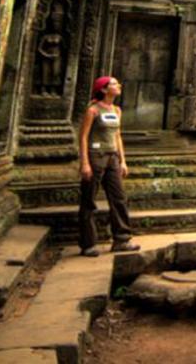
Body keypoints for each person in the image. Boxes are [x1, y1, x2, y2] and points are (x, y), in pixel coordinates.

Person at [77, 76, 140, 256]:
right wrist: (85, 163)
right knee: (89, 200)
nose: (118, 85)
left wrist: (123, 161)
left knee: (119, 197)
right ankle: (88, 243)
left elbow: (117, 136)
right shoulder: (93, 110)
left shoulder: (117, 110)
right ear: (104, 90)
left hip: (112, 157)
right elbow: (83, 137)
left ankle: (121, 239)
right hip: (95, 156)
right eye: (113, 83)